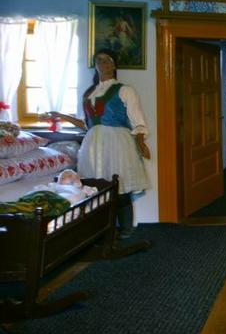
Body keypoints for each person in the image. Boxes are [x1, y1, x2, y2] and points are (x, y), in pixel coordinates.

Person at [47, 49, 150, 239]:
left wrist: (141, 143)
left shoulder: (125, 90)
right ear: (95, 66)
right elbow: (86, 124)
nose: (103, 64)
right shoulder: (89, 94)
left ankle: (126, 229)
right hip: (92, 144)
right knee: (96, 185)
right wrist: (61, 115)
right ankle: (101, 229)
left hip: (118, 142)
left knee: (120, 184)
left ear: (114, 64)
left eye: (108, 60)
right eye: (99, 60)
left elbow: (138, 121)